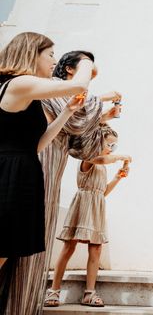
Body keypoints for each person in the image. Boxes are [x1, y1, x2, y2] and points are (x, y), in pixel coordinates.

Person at [6, 50, 123, 315]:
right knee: (27, 234)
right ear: (70, 69)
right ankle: (17, 304)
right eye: (87, 67)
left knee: (40, 235)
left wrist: (104, 117)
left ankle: (25, 303)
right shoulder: (54, 88)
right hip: (40, 160)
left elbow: (79, 141)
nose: (91, 74)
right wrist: (101, 101)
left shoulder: (70, 95)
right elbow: (77, 120)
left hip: (55, 164)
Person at [0, 32, 94, 312]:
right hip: (10, 175)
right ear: (32, 53)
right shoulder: (19, 83)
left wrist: (66, 113)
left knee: (7, 251)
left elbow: (36, 144)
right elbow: (79, 83)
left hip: (24, 171)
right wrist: (87, 60)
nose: (53, 60)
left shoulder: (26, 90)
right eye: (50, 54)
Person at [45, 125, 130, 308]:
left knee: (96, 249)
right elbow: (100, 159)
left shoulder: (103, 166)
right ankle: (54, 290)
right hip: (83, 206)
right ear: (97, 142)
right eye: (110, 145)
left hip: (97, 206)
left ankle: (89, 293)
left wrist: (117, 177)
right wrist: (120, 157)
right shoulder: (89, 159)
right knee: (69, 247)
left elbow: (103, 191)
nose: (111, 149)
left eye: (114, 146)